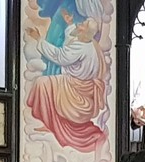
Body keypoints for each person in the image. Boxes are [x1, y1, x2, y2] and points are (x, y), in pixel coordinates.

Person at [25, 17, 108, 153]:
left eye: (83, 24)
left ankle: (51, 124)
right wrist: (70, 24)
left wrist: (39, 39)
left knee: (41, 83)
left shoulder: (80, 48)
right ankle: (51, 123)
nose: (79, 23)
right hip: (81, 86)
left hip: (75, 89)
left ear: (85, 31)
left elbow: (59, 56)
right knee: (44, 83)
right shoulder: (90, 43)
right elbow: (72, 42)